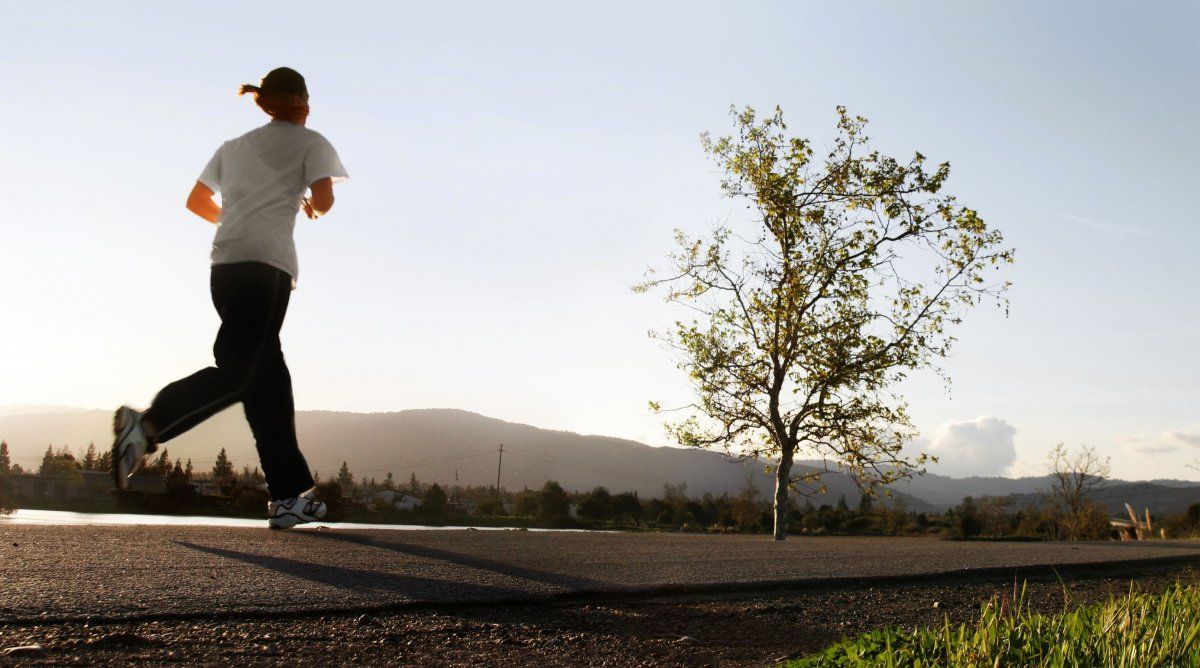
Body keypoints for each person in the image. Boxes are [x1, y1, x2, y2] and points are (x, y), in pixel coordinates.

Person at [111, 67, 347, 529]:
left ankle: (287, 497)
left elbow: (196, 201)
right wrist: (308, 205)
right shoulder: (312, 142)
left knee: (268, 382)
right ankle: (149, 426)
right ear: (301, 100)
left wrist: (237, 218)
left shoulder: (233, 147)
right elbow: (324, 201)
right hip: (267, 267)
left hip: (225, 267)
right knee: (242, 374)